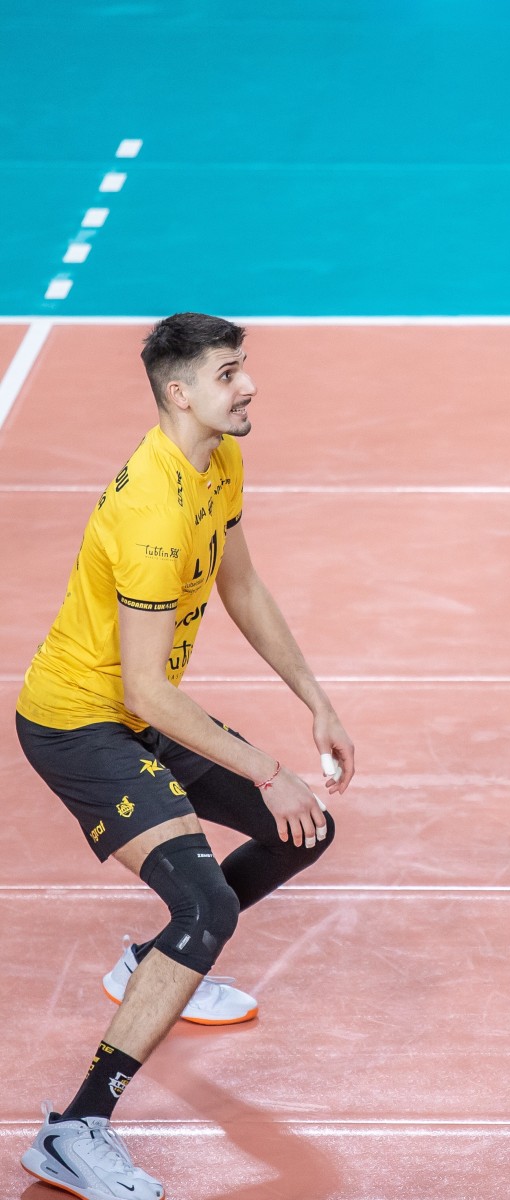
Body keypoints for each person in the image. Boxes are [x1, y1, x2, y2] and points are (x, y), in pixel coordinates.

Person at [15, 313, 353, 1200]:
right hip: (80, 723)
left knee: (304, 831)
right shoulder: (152, 510)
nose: (248, 386)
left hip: (140, 710)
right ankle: (73, 1130)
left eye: (244, 368)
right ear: (179, 391)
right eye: (228, 373)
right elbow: (142, 692)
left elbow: (241, 584)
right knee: (206, 907)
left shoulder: (218, 460)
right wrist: (267, 769)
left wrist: (315, 701)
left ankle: (151, 963)